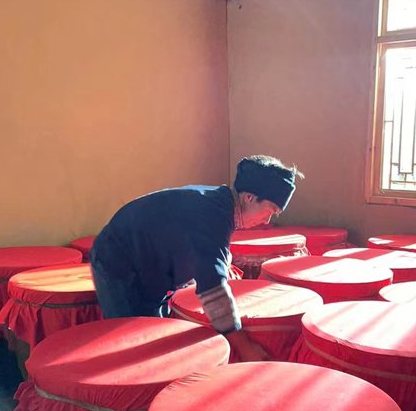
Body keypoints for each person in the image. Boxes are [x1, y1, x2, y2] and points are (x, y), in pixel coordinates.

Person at [90, 155, 303, 361]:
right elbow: (213, 288)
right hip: (118, 260)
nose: (267, 220)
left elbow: (196, 248)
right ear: (249, 197)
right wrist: (244, 346)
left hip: (150, 263)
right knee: (133, 340)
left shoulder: (219, 202)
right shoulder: (212, 216)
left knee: (155, 330)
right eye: (270, 210)